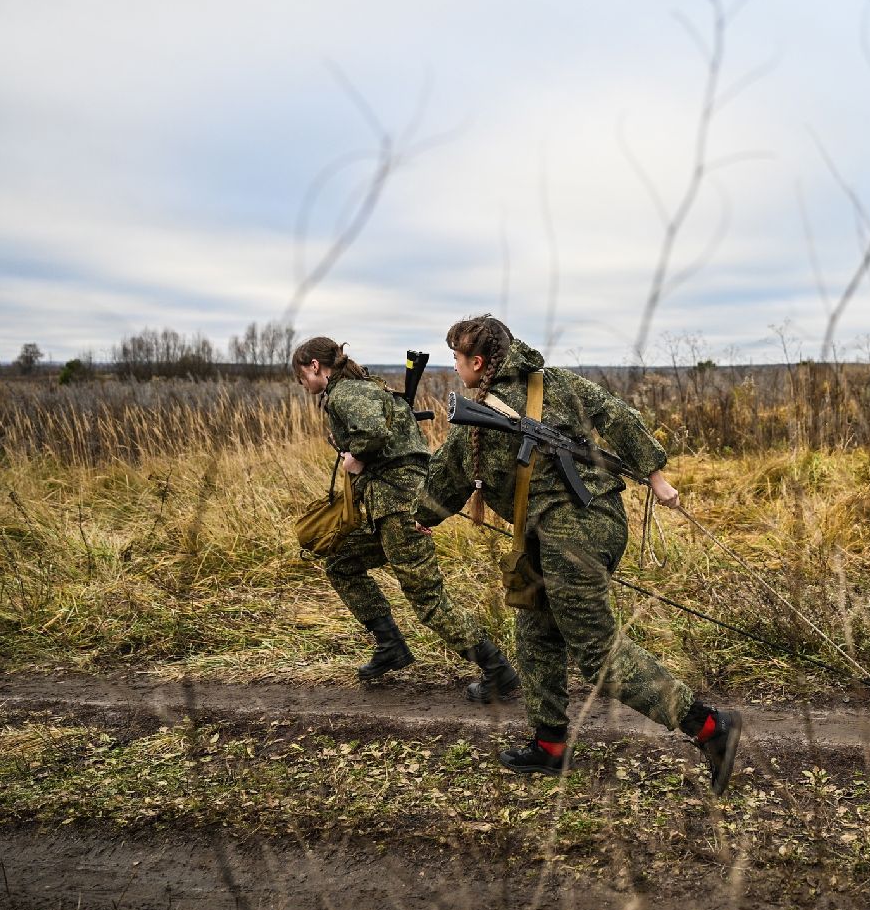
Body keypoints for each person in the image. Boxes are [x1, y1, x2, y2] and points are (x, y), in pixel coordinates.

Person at [415, 315, 743, 794]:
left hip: (573, 532)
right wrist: (654, 474)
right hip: (583, 525)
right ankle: (550, 746)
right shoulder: (557, 384)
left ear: (478, 362)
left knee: (597, 654)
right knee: (535, 631)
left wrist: (423, 514)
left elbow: (450, 476)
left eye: (457, 360)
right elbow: (617, 414)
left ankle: (711, 728)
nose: (455, 368)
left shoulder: (477, 422)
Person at [291, 336, 521, 699]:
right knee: (341, 562)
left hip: (400, 508)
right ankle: (390, 645)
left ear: (314, 366)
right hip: (389, 508)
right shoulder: (364, 388)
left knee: (427, 598)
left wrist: (357, 457)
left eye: (301, 376)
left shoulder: (347, 392)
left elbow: (372, 434)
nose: (302, 384)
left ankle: (497, 671)